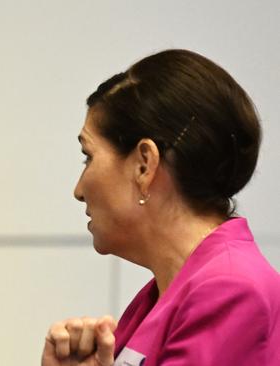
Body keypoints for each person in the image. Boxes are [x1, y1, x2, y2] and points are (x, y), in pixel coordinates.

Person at [42, 49, 280, 365]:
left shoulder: (229, 289)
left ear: (144, 164)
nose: (78, 190)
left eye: (89, 157)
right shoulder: (163, 295)